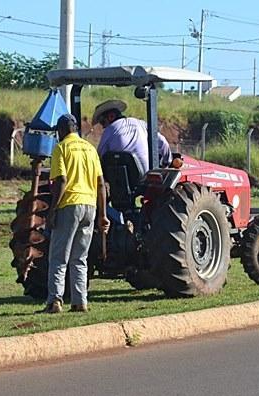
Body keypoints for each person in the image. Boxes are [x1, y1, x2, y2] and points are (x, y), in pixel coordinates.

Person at [43, 114, 109, 314]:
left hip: (69, 205)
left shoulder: (61, 148)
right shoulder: (90, 149)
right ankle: (80, 301)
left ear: (62, 130)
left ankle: (55, 300)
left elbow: (61, 181)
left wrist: (53, 210)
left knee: (59, 257)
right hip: (90, 205)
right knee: (80, 258)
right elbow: (100, 184)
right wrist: (102, 215)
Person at [93, 99, 171, 173]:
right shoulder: (142, 124)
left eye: (103, 122)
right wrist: (166, 163)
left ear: (111, 116)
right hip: (146, 176)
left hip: (120, 180)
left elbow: (98, 157)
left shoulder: (110, 130)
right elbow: (164, 143)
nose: (103, 126)